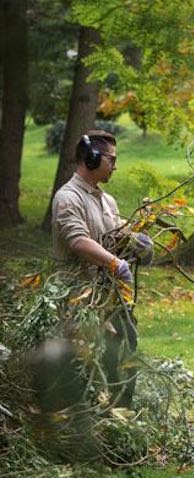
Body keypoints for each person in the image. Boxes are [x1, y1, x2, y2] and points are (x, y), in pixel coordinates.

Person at [51, 129, 152, 408]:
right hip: (79, 299)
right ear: (92, 158)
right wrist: (114, 262)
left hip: (112, 298)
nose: (115, 166)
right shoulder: (67, 198)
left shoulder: (107, 201)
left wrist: (137, 242)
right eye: (111, 159)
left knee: (125, 359)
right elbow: (78, 241)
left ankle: (121, 419)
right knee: (85, 368)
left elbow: (116, 236)